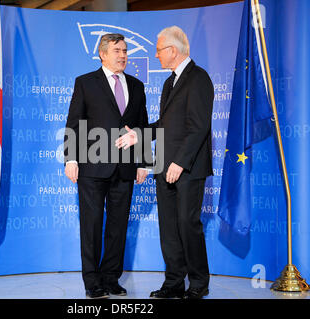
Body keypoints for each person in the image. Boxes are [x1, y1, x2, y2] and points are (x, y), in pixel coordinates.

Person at [116, 26, 214, 299]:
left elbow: (198, 127)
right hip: (164, 167)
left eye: (159, 50)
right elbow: (165, 125)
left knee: (187, 224)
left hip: (188, 168)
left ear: (172, 50)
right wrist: (140, 132)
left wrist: (180, 163)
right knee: (169, 228)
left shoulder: (199, 78)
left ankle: (198, 284)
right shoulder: (169, 83)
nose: (157, 55)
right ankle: (173, 283)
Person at [64, 33, 149, 299]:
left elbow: (143, 126)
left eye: (125, 50)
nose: (123, 55)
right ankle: (92, 283)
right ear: (102, 54)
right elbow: (74, 122)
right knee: (91, 226)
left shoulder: (137, 86)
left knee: (118, 225)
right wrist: (71, 158)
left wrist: (144, 161)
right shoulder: (86, 83)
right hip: (92, 167)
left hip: (125, 167)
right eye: (117, 51)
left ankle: (111, 278)